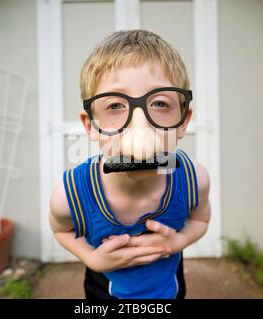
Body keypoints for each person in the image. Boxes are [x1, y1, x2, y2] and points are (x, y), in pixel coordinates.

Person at [50, 30, 211, 299]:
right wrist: (92, 259)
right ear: (91, 126)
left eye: (160, 102)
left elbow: (201, 218)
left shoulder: (195, 179)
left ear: (183, 120)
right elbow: (61, 230)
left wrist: (179, 242)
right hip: (104, 287)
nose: (141, 127)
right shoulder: (69, 196)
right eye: (114, 105)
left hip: (169, 284)